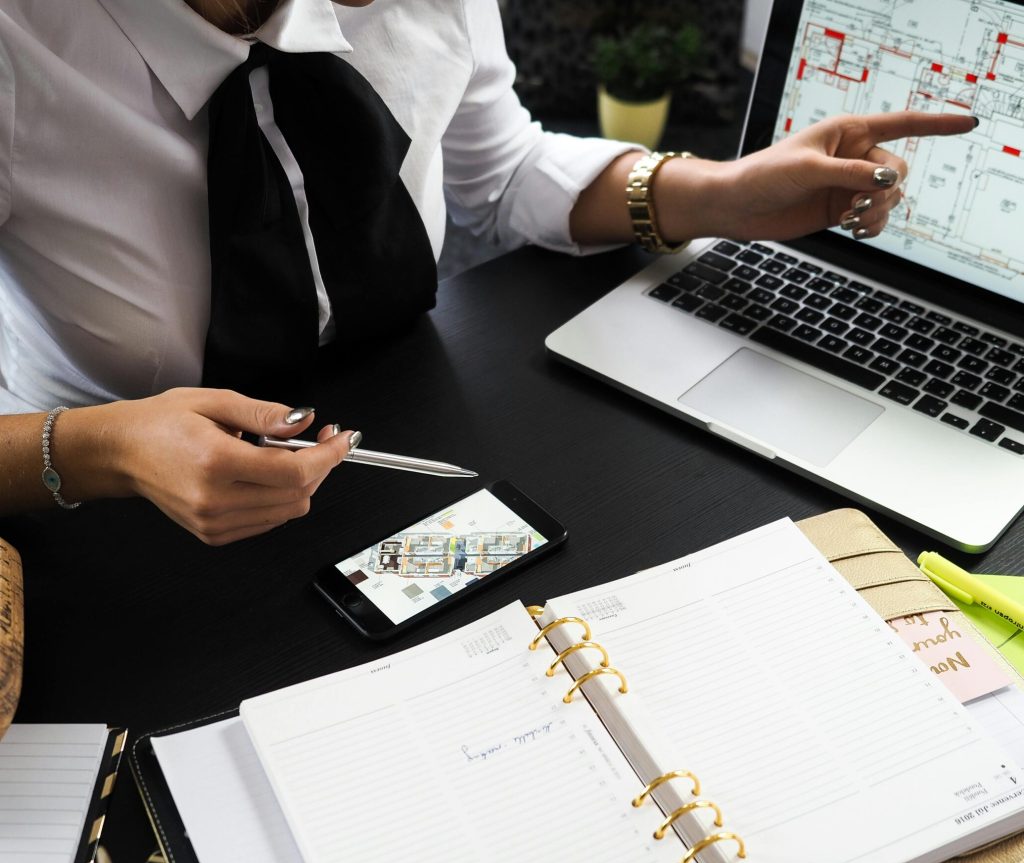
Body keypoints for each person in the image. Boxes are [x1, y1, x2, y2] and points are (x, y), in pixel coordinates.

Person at [0, 0, 976, 545]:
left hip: (407, 432)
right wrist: (104, 448)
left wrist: (718, 194)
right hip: (108, 524)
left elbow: (498, 168)